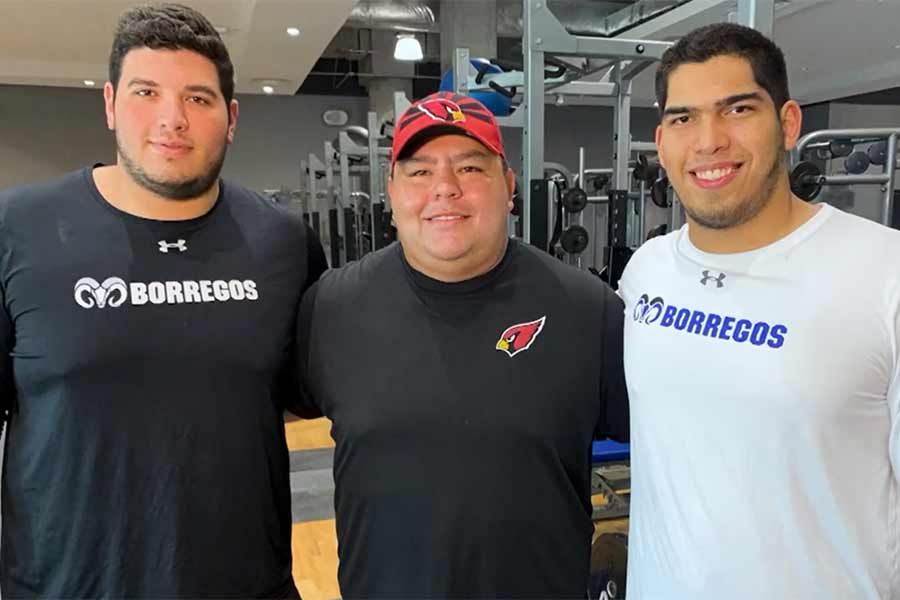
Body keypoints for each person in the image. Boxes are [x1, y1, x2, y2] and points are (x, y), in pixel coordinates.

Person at [0, 4, 326, 597]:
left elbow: (316, 396)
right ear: (109, 103)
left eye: (198, 99)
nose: (171, 118)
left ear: (231, 117)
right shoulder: (17, 229)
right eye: (146, 92)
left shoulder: (284, 243)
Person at [294, 91, 628, 598]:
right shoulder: (330, 309)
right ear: (392, 191)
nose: (444, 189)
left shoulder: (589, 311)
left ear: (509, 186)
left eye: (471, 169)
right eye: (419, 171)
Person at [619, 22, 900, 599]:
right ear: (663, 141)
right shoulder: (644, 273)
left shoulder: (885, 274)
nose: (708, 141)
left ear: (789, 123)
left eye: (738, 109)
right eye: (683, 118)